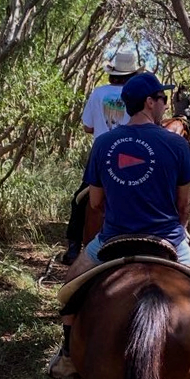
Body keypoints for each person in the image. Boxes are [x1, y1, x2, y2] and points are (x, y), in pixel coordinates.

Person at [48, 71, 190, 379]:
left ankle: (68, 355)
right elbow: (184, 204)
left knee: (69, 288)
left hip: (112, 238)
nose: (165, 104)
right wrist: (182, 228)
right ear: (150, 103)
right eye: (162, 99)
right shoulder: (177, 146)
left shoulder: (104, 144)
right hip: (168, 239)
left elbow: (95, 203)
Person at [62, 52, 143, 265]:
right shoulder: (137, 96)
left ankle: (73, 246)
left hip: (102, 154)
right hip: (131, 153)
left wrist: (103, 125)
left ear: (113, 73)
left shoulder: (98, 93)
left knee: (81, 198)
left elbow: (88, 127)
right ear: (132, 74)